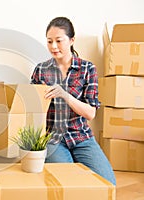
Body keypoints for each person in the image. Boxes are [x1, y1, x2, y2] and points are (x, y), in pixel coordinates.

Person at [30, 16, 116, 185]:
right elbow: (30, 103)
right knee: (67, 183)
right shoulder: (41, 70)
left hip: (81, 137)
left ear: (71, 40)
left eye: (58, 41)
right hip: (53, 139)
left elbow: (91, 113)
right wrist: (4, 90)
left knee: (107, 183)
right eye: (49, 41)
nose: (53, 46)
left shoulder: (87, 69)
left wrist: (65, 94)